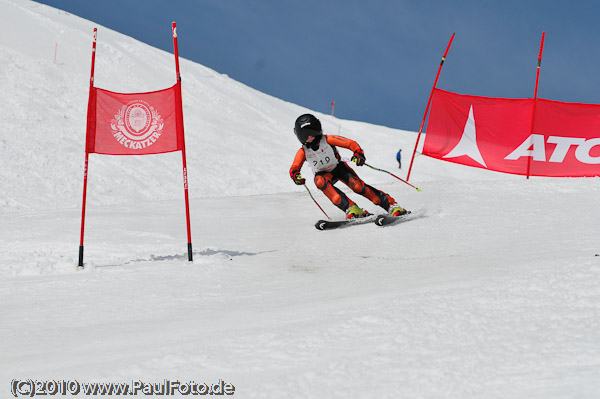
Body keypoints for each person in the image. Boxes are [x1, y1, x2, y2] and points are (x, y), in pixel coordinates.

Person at [289, 114, 407, 219]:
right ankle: (352, 208)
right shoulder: (303, 151)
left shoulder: (328, 139)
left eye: (312, 133)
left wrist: (358, 153)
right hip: (324, 174)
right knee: (319, 181)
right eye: (305, 135)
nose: (310, 138)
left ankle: (391, 205)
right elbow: (295, 166)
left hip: (339, 168)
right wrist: (295, 175)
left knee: (357, 187)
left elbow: (350, 143)